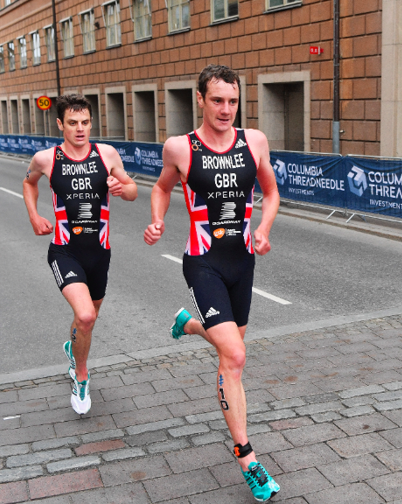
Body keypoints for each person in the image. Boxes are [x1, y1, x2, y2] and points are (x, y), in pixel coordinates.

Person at [144, 64, 281, 502]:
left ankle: (188, 324)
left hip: (242, 263)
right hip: (202, 262)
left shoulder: (253, 141)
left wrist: (264, 227)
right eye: (217, 100)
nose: (226, 109)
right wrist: (158, 218)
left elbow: (272, 193)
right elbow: (162, 187)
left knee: (230, 356)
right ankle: (248, 459)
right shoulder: (180, 148)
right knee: (236, 355)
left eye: (233, 101)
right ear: (200, 99)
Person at [23, 94, 137, 415]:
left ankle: (73, 349)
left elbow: (131, 191)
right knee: (85, 316)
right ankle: (81, 375)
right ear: (60, 124)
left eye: (85, 122)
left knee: (87, 319)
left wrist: (121, 187)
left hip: (99, 253)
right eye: (72, 123)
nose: (80, 129)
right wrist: (34, 215)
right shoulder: (47, 158)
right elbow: (29, 183)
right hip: (64, 251)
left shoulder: (106, 154)